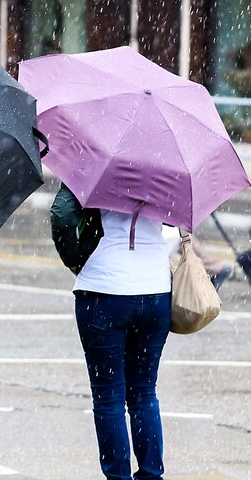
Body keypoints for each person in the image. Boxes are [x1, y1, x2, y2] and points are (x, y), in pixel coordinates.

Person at [51, 184, 170, 480]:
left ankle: (118, 476)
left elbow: (62, 213)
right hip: (155, 290)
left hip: (104, 289)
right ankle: (152, 474)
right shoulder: (166, 165)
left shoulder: (95, 159)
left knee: (108, 396)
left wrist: (76, 258)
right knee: (144, 392)